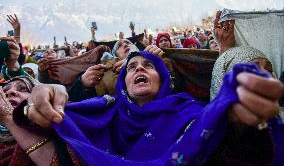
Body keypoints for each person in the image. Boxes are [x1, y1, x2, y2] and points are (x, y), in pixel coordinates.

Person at [3, 51, 283, 166]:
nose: (139, 68)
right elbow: (56, 126)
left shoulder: (190, 112)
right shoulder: (104, 110)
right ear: (122, 83)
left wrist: (236, 125)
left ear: (163, 79)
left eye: (149, 65)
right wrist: (34, 104)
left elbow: (228, 149)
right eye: (132, 67)